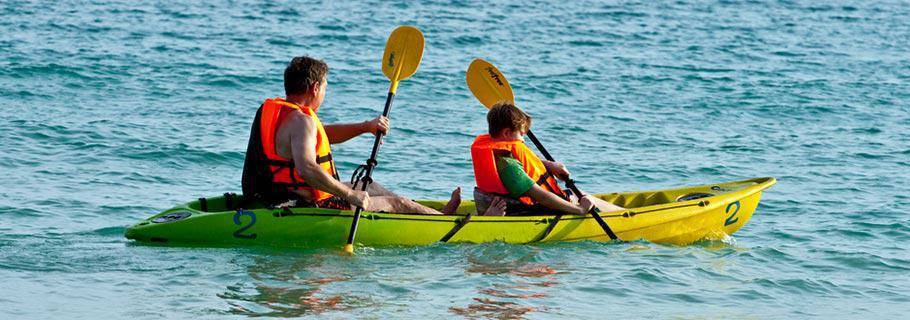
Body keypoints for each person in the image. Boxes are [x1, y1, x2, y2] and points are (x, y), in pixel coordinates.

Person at [242, 56, 460, 214]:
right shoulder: (302, 120)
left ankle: (433, 212)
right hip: (303, 203)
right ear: (315, 88)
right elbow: (307, 169)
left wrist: (366, 126)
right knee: (398, 203)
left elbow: (321, 136)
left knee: (370, 185)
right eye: (326, 87)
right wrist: (350, 196)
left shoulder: (281, 114)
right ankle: (442, 221)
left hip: (272, 194)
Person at [470, 102, 624, 216]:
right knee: (582, 197)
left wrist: (548, 166)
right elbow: (542, 197)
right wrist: (580, 209)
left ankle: (624, 213)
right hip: (528, 211)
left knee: (578, 195)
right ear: (506, 133)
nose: (523, 137)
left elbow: (517, 167)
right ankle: (626, 217)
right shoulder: (510, 167)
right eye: (521, 133)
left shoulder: (501, 156)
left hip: (516, 205)